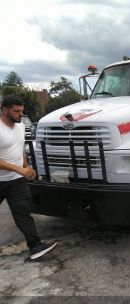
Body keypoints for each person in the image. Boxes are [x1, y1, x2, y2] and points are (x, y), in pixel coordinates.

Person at [0, 95, 57, 260]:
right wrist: (19, 169)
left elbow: (19, 150)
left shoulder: (19, 127)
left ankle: (35, 247)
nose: (20, 114)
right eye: (16, 111)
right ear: (4, 110)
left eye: (21, 111)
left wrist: (26, 166)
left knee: (23, 213)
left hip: (16, 180)